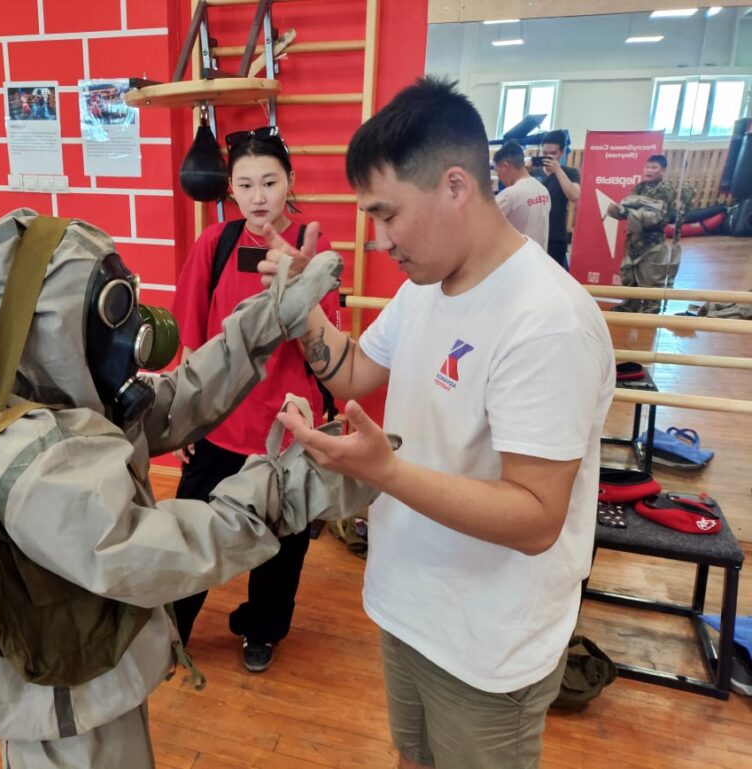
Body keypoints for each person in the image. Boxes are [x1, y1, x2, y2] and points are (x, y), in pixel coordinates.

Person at [262, 77, 615, 769]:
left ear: (456, 186)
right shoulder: (424, 287)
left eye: (388, 214)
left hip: (489, 642)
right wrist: (303, 306)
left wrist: (385, 471)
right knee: (411, 757)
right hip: (408, 604)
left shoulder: (547, 321)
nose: (379, 239)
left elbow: (536, 517)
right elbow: (353, 372)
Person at [0, 210, 380, 768]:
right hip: (61, 703)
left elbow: (175, 400)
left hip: (93, 659)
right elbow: (152, 552)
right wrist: (285, 491)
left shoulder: (56, 388)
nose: (134, 330)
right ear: (53, 328)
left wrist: (269, 318)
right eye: (113, 310)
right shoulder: (31, 455)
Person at [170, 126, 341, 673]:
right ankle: (171, 632)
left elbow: (327, 348)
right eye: (245, 185)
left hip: (285, 428)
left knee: (282, 541)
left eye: (269, 181)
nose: (258, 196)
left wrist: (298, 284)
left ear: (289, 181)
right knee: (191, 534)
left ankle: (262, 628)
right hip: (219, 423)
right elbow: (192, 336)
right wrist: (185, 418)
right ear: (230, 189)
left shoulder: (314, 253)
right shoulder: (214, 244)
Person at [606, 154, 677, 313]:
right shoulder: (639, 187)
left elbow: (655, 216)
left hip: (652, 242)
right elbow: (628, 207)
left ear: (663, 171)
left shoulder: (665, 190)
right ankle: (629, 305)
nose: (649, 170)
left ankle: (651, 309)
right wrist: (617, 211)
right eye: (647, 167)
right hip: (633, 240)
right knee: (629, 275)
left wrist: (629, 212)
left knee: (651, 277)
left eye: (654, 167)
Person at [531, 129, 581, 269]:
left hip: (555, 238)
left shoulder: (570, 173)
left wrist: (558, 170)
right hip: (532, 236)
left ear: (562, 152)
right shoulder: (532, 173)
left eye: (553, 153)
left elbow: (574, 196)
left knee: (552, 277)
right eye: (545, 153)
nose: (548, 157)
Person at [493, 140, 551, 250]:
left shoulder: (510, 195)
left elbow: (484, 227)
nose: (500, 178)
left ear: (505, 166)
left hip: (517, 257)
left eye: (498, 173)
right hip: (539, 256)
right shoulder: (543, 190)